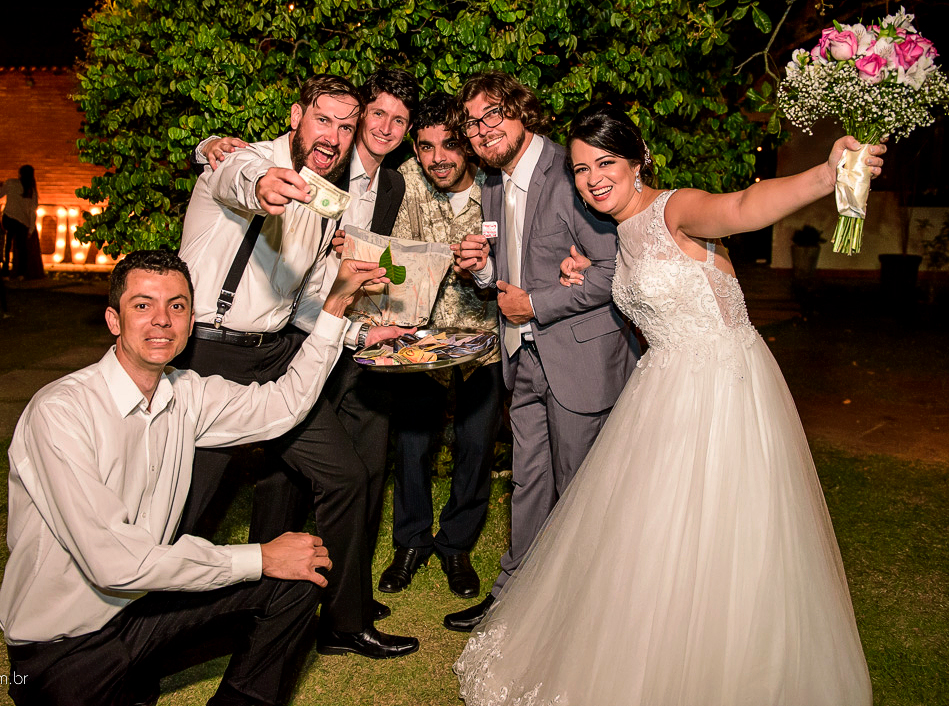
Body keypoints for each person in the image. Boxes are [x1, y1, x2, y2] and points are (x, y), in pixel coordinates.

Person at [454, 105, 882, 705]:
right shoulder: (619, 234)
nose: (592, 179)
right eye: (579, 169)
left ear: (637, 161)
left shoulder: (675, 207)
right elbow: (624, 294)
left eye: (606, 163)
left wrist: (825, 174)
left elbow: (741, 208)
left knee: (724, 533)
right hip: (661, 388)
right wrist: (576, 273)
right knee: (647, 536)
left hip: (723, 386)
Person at [0, 249, 389, 706]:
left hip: (145, 608)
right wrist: (258, 556)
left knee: (300, 575)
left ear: (190, 320)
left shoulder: (188, 393)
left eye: (177, 305)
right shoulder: (61, 413)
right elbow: (115, 565)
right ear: (113, 320)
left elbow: (284, 405)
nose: (162, 319)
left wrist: (335, 307)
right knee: (272, 563)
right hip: (65, 646)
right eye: (142, 305)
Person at [174, 73, 417, 659]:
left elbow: (307, 298)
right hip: (209, 355)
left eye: (344, 123)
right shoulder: (245, 161)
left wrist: (361, 329)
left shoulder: (326, 197)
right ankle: (151, 641)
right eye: (322, 119)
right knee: (189, 509)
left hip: (276, 355)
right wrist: (259, 182)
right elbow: (234, 177)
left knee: (347, 476)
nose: (333, 135)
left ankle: (341, 623)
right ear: (295, 115)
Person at [445, 73, 640, 632]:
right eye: (473, 124)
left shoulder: (573, 172)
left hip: (580, 357)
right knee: (528, 479)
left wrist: (537, 303)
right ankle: (515, 598)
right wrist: (482, 268)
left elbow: (615, 269)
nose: (484, 131)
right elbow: (506, 278)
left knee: (581, 485)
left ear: (523, 111)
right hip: (523, 356)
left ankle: (584, 612)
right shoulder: (490, 182)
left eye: (495, 115)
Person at [376, 93, 503, 602]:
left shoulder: (495, 190)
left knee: (475, 447)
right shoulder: (406, 179)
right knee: (411, 445)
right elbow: (400, 258)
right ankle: (409, 541)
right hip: (421, 341)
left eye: (449, 144)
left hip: (486, 342)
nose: (437, 158)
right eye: (425, 146)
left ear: (468, 145)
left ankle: (456, 544)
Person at [0, 165, 38, 278]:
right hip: (23, 221)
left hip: (9, 218)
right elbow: (33, 210)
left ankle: (5, 269)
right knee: (21, 247)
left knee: (7, 243)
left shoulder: (11, 183)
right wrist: (31, 228)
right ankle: (21, 272)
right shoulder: (31, 189)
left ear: (19, 173)